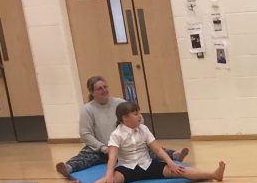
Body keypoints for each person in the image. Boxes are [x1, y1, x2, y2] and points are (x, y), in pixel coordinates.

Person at [69, 101, 223, 183]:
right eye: (136, 114)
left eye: (139, 113)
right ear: (125, 118)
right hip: (127, 169)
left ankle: (213, 174)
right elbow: (112, 157)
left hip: (147, 165)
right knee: (108, 181)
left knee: (180, 170)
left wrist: (170, 163)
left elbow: (156, 148)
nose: (139, 116)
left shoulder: (143, 128)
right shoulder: (116, 134)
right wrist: (109, 174)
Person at [57, 76, 188, 177]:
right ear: (92, 92)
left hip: (125, 144)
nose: (104, 90)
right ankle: (69, 167)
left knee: (149, 149)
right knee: (86, 155)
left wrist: (137, 129)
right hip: (103, 148)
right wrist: (102, 148)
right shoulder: (87, 109)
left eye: (105, 87)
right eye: (99, 88)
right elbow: (85, 134)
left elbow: (138, 118)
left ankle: (174, 155)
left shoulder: (119, 102)